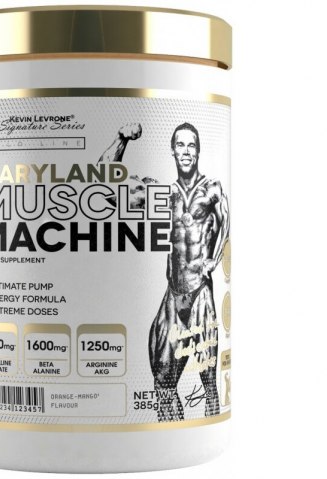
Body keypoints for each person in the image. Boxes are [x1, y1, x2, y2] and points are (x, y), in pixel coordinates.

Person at [98, 122, 230, 421]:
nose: (186, 151)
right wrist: (121, 139)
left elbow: (227, 222)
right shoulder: (164, 194)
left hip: (200, 292)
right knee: (162, 382)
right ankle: (171, 432)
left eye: (191, 145)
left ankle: (206, 430)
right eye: (180, 145)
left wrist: (213, 258)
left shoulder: (211, 189)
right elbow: (105, 184)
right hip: (174, 294)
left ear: (198, 150)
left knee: (210, 384)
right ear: (172, 150)